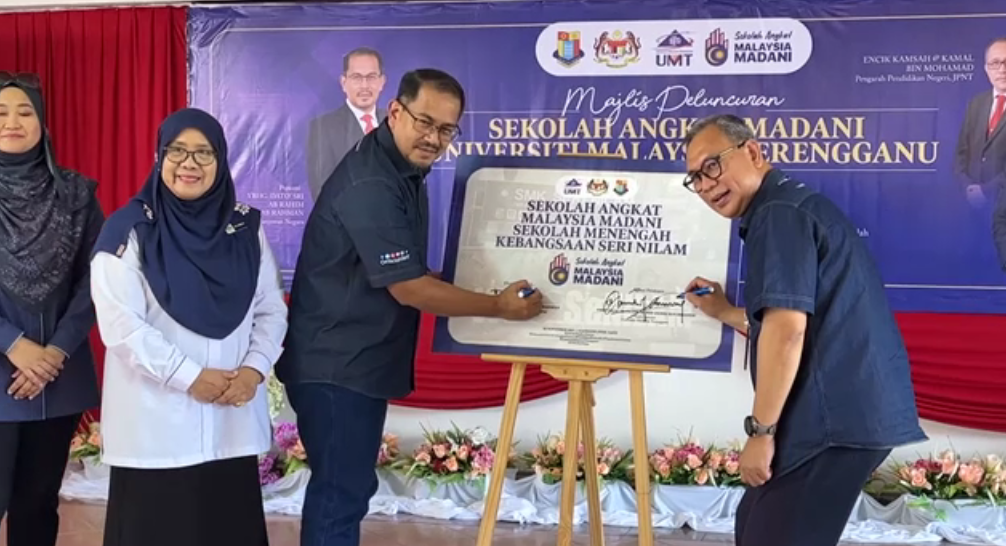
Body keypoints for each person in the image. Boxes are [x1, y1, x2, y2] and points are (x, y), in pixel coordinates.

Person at [277, 68, 543, 546]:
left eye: (446, 129)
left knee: (347, 491)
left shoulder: (400, 168)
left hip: (354, 362)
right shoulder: (372, 182)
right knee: (340, 495)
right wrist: (497, 306)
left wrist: (471, 285)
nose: (433, 138)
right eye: (424, 122)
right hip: (336, 367)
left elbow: (404, 272)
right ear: (395, 111)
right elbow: (408, 288)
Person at [680, 113, 927, 546]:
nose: (705, 185)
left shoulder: (778, 213)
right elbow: (798, 323)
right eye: (695, 178)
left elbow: (787, 332)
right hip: (844, 416)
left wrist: (761, 432)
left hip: (831, 421)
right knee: (754, 522)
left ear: (753, 151)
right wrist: (725, 312)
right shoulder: (788, 205)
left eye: (712, 165)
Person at [90, 107, 288, 546]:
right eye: (177, 151)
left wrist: (254, 370)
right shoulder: (129, 230)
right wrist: (189, 376)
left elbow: (271, 308)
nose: (189, 163)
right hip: (155, 429)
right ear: (160, 157)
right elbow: (121, 325)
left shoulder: (244, 229)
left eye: (203, 153)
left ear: (220, 160)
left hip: (231, 421)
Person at [0, 72, 104, 546]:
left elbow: (98, 278)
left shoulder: (76, 195)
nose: (13, 122)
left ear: (42, 123)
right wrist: (14, 345)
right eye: (1, 113)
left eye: (25, 111)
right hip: (5, 368)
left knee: (39, 504)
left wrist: (56, 351)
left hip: (58, 377)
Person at [307, 46, 388, 201]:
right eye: (357, 77)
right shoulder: (323, 128)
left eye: (371, 77)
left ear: (382, 82)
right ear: (344, 82)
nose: (365, 85)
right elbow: (322, 192)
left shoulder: (395, 122)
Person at [955, 37, 1006, 270]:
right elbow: (961, 153)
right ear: (986, 69)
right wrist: (968, 187)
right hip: (971, 209)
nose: (1002, 69)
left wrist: (986, 190)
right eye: (995, 63)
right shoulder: (976, 103)